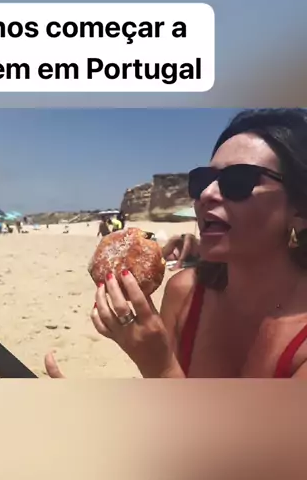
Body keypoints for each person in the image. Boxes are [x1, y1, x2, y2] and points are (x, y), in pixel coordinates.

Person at [45, 109, 307, 379]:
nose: (206, 194)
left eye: (238, 181)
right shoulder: (185, 294)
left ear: (299, 208)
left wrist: (160, 366)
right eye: (203, 180)